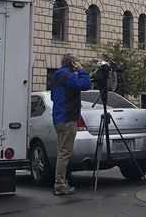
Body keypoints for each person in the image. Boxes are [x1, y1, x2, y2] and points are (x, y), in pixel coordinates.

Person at [50, 53, 92, 195]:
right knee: (64, 153)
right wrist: (81, 70)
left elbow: (53, 96)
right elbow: (86, 85)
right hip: (67, 118)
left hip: (59, 118)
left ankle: (61, 181)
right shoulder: (67, 76)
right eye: (77, 61)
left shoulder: (58, 76)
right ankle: (60, 184)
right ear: (72, 63)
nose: (79, 63)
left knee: (62, 152)